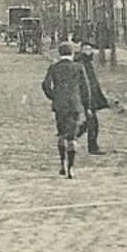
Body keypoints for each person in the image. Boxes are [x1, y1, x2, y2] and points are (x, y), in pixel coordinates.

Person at [42, 43, 91, 178]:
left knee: (61, 134)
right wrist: (87, 106)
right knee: (72, 137)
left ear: (59, 53)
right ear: (72, 53)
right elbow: (86, 88)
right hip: (74, 105)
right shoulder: (78, 67)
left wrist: (53, 96)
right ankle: (71, 167)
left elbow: (46, 85)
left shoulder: (54, 68)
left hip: (60, 106)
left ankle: (62, 162)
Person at [75, 44, 112, 155]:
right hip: (86, 97)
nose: (89, 51)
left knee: (88, 121)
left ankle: (72, 137)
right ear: (82, 50)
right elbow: (86, 83)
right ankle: (92, 146)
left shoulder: (86, 62)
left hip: (89, 96)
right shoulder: (81, 63)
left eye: (90, 49)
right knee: (92, 122)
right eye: (86, 49)